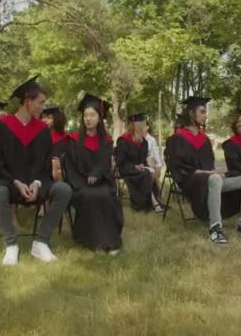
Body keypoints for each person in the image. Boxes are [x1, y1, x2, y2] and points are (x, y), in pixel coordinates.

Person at [0, 76, 72, 265]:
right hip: (10, 182)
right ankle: (11, 245)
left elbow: (44, 165)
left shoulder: (42, 130)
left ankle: (41, 242)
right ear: (27, 101)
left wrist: (36, 183)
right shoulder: (2, 127)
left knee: (63, 190)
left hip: (36, 184)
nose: (43, 107)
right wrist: (16, 182)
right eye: (40, 103)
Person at [165, 97, 241, 245]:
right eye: (203, 111)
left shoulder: (204, 139)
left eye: (206, 112)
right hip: (192, 182)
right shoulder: (177, 139)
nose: (206, 115)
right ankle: (215, 228)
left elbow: (209, 165)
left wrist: (216, 171)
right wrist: (208, 174)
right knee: (215, 178)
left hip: (211, 180)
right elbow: (179, 170)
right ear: (191, 113)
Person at [64, 94, 124, 254]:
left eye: (92, 115)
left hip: (102, 181)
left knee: (105, 195)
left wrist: (96, 174)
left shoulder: (106, 140)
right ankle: (94, 242)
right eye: (85, 115)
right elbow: (69, 167)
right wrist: (80, 183)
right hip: (80, 185)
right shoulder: (74, 140)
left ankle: (110, 242)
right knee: (90, 195)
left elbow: (105, 163)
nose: (88, 119)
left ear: (99, 118)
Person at [115, 113, 163, 212]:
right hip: (125, 168)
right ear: (135, 126)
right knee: (146, 173)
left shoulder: (144, 142)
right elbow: (120, 160)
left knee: (148, 172)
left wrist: (141, 164)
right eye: (142, 125)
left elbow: (143, 159)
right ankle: (145, 203)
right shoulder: (123, 140)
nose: (144, 127)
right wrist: (134, 166)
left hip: (139, 168)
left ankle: (150, 202)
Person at [41, 106, 69, 181]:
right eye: (43, 117)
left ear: (57, 119)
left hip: (60, 177)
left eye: (49, 118)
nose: (45, 120)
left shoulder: (66, 139)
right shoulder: (39, 138)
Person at [144, 121, 164, 192]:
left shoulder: (151, 140)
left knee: (152, 162)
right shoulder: (138, 138)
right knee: (151, 162)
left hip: (151, 162)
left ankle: (151, 192)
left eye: (144, 126)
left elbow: (156, 153)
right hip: (143, 162)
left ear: (147, 127)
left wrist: (159, 165)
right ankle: (158, 187)